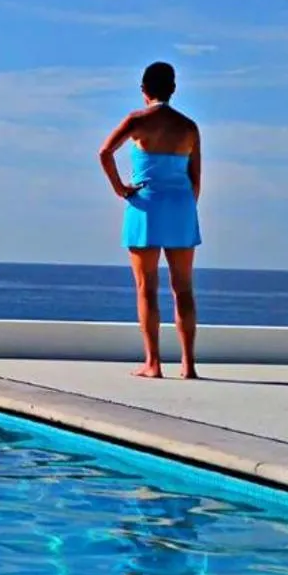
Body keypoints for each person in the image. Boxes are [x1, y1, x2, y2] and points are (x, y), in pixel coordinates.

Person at [98, 61, 202, 379]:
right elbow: (195, 179)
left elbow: (105, 152)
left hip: (145, 204)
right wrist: (184, 208)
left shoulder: (137, 120)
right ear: (173, 89)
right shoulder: (189, 127)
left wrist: (120, 189)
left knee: (147, 287)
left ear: (144, 90)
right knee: (183, 289)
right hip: (181, 206)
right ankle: (188, 365)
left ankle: (153, 363)